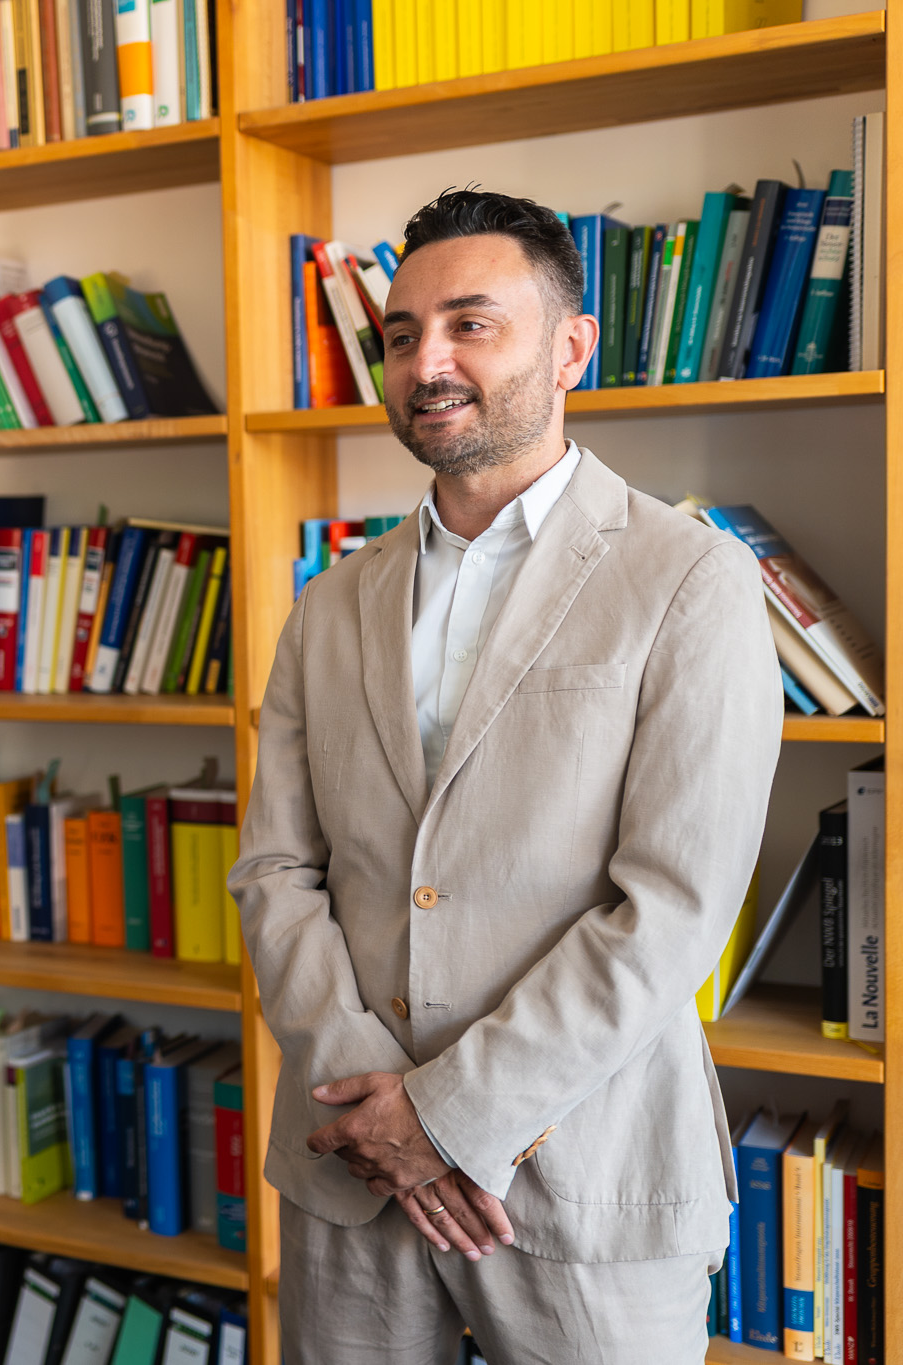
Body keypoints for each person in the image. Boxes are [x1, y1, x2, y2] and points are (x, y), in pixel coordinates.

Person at [228, 189, 781, 1362]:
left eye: (470, 324)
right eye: (398, 333)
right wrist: (378, 1110)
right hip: (348, 1175)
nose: (425, 361)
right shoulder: (328, 604)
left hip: (587, 1176)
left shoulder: (692, 580)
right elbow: (276, 869)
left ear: (570, 346)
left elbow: (672, 908)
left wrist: (447, 1116)